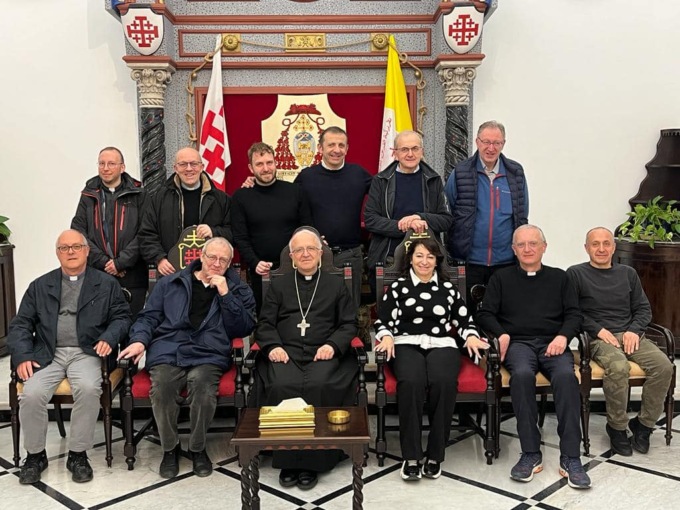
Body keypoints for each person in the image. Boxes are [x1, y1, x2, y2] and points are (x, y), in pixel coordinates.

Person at [118, 237, 256, 479]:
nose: (216, 263)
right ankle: (170, 448)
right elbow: (149, 317)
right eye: (212, 257)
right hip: (169, 350)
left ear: (229, 264)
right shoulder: (170, 283)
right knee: (162, 388)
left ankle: (197, 448)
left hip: (209, 353)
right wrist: (139, 340)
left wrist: (226, 294)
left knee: (203, 388)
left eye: (223, 260)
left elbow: (243, 327)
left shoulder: (238, 289)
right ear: (201, 256)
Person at [8, 230, 131, 484]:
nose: (71, 252)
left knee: (88, 388)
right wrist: (22, 356)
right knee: (31, 394)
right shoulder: (40, 286)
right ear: (57, 253)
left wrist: (108, 338)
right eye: (64, 248)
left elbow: (121, 317)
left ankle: (77, 454)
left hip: (87, 352)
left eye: (76, 246)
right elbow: (21, 324)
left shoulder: (106, 284)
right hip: (47, 353)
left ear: (86, 251)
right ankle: (35, 455)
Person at [476, 225, 591, 489]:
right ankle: (530, 452)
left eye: (533, 244)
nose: (527, 249)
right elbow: (485, 314)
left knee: (566, 377)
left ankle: (571, 457)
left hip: (553, 343)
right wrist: (502, 334)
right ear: (514, 249)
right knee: (521, 376)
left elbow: (574, 314)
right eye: (521, 245)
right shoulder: (501, 278)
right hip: (518, 344)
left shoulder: (560, 278)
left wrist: (563, 337)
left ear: (544, 247)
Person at [374, 237, 488, 481]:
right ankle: (411, 456)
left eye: (430, 256)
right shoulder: (398, 288)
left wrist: (470, 336)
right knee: (411, 382)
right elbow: (383, 321)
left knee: (443, 382)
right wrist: (386, 337)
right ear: (410, 259)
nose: (424, 261)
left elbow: (464, 320)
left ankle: (435, 454)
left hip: (442, 344)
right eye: (419, 256)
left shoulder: (448, 289)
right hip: (405, 344)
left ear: (437, 261)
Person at [251, 227, 357, 490]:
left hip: (324, 353)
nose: (305, 254)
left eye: (311, 249)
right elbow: (265, 324)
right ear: (292, 257)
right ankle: (288, 459)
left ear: (321, 253)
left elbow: (348, 324)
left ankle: (315, 461)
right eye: (299, 250)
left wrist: (332, 345)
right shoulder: (279, 285)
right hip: (286, 353)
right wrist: (273, 346)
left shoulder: (336, 284)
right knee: (281, 385)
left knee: (320, 385)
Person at [567, 227, 673, 456]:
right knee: (618, 367)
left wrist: (633, 330)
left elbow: (643, 309)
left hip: (631, 336)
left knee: (664, 366)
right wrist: (598, 330)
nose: (601, 249)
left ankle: (643, 426)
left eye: (606, 243)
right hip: (598, 339)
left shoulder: (628, 273)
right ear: (586, 248)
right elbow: (572, 312)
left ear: (614, 247)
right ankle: (616, 427)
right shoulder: (575, 274)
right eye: (595, 244)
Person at [444, 121, 529, 298]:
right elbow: (448, 211)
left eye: (496, 143)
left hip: (506, 263)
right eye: (486, 142)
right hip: (469, 262)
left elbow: (522, 213)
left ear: (503, 144)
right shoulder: (460, 172)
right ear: (477, 142)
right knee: (469, 311)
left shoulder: (515, 173)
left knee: (503, 310)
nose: (491, 148)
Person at [295, 126, 373, 307]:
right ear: (320, 148)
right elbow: (290, 208)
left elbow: (387, 191)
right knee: (317, 309)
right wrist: (253, 183)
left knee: (350, 309)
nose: (336, 150)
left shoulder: (359, 174)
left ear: (347, 148)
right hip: (315, 256)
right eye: (331, 145)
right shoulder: (306, 177)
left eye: (341, 145)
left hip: (351, 255)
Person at [231, 142, 313, 312]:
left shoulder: (295, 191)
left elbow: (306, 229)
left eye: (269, 162)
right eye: (259, 164)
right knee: (266, 317)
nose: (266, 168)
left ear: (276, 163)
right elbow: (240, 237)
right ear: (251, 168)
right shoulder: (241, 197)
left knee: (297, 315)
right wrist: (255, 263)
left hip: (295, 268)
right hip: (261, 270)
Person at [71, 146, 148, 318]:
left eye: (111, 164)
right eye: (102, 164)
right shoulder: (88, 195)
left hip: (133, 276)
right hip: (98, 274)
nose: (105, 168)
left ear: (122, 167)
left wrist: (120, 263)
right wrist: (105, 262)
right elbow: (79, 232)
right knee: (100, 327)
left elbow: (146, 232)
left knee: (130, 326)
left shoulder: (139, 194)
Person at [365, 130, 452, 278]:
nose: (410, 154)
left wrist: (419, 218)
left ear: (422, 151)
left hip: (427, 262)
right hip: (389, 260)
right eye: (404, 149)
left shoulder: (434, 180)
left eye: (415, 148)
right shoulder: (380, 181)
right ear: (395, 153)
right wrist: (404, 225)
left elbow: (446, 220)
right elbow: (370, 220)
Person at [138, 147, 232, 276]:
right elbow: (146, 234)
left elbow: (233, 233)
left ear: (202, 167)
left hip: (210, 274)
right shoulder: (159, 198)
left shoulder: (221, 199)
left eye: (194, 164)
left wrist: (213, 232)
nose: (188, 169)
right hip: (171, 272)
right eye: (183, 164)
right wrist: (159, 258)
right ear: (175, 168)